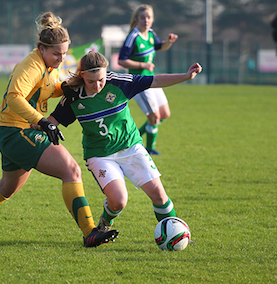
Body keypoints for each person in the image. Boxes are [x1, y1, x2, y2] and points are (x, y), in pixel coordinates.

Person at [0, 12, 119, 248]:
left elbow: (46, 88)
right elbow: (14, 97)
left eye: (64, 53)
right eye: (56, 53)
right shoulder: (31, 66)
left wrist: (65, 88)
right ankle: (90, 231)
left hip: (10, 132)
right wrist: (43, 121)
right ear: (41, 49)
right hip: (18, 132)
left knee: (7, 187)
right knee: (71, 170)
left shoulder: (48, 66)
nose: (61, 58)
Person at [47, 51, 202, 236]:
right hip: (100, 155)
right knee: (118, 201)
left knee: (159, 195)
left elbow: (156, 81)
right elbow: (51, 122)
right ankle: (105, 222)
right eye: (91, 81)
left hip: (131, 147)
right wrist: (27, 124)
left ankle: (176, 236)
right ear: (82, 75)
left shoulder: (119, 82)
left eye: (101, 80)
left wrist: (186, 76)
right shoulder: (73, 97)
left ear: (106, 73)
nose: (97, 85)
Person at [118, 4, 179, 155]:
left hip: (153, 79)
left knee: (164, 114)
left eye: (149, 17)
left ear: (152, 19)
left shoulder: (151, 34)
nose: (146, 20)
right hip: (139, 82)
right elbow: (121, 60)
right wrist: (142, 64)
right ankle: (149, 148)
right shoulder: (133, 37)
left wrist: (169, 42)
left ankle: (136, 135)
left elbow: (161, 47)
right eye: (142, 17)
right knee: (154, 116)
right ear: (137, 19)